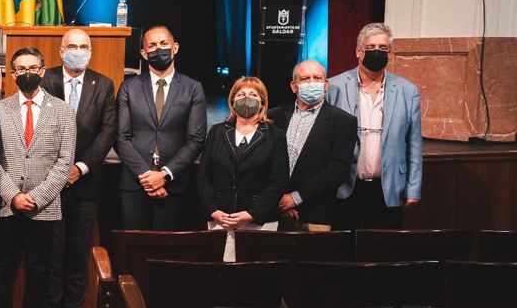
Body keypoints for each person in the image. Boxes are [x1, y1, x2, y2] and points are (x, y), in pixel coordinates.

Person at [0, 47, 76, 308]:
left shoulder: (63, 111)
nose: (26, 72)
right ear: (11, 74)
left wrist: (36, 197)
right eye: (19, 67)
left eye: (32, 67)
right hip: (6, 205)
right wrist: (13, 195)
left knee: (39, 274)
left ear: (42, 70)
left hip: (45, 207)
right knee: (1, 274)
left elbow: (65, 163)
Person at [40, 27, 116, 308]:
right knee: (52, 259)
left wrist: (80, 168)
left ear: (91, 51)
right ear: (61, 51)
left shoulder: (104, 85)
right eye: (72, 46)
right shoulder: (47, 81)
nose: (78, 50)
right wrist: (60, 171)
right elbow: (39, 129)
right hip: (51, 187)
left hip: (86, 185)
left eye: (84, 46)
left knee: (78, 258)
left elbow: (107, 132)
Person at [326, 22, 423, 229]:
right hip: (344, 187)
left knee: (383, 252)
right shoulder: (333, 87)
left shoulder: (408, 91)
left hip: (387, 188)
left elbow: (413, 143)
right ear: (358, 52)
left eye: (383, 48)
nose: (376, 53)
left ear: (390, 53)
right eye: (370, 48)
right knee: (342, 253)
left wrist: (413, 188)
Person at [115, 25, 207, 230]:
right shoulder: (128, 87)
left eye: (164, 44)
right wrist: (147, 178)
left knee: (166, 254)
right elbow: (121, 137)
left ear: (175, 48)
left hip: (173, 184)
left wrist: (164, 174)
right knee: (133, 251)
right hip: (134, 184)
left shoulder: (193, 88)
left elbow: (196, 140)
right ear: (143, 53)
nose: (159, 49)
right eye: (152, 46)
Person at [196, 77, 289, 261]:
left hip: (260, 222)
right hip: (221, 219)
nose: (247, 98)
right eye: (241, 94)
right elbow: (203, 176)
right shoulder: (217, 132)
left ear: (262, 102)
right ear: (232, 101)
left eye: (253, 94)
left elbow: (278, 181)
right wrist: (213, 211)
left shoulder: (275, 136)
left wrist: (252, 214)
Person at [268, 60, 357, 231]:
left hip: (315, 213)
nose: (311, 83)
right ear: (294, 86)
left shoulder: (344, 121)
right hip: (273, 209)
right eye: (305, 78)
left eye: (317, 78)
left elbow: (338, 169)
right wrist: (279, 197)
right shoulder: (273, 117)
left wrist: (295, 198)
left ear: (325, 84)